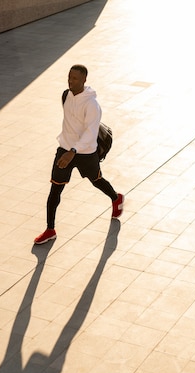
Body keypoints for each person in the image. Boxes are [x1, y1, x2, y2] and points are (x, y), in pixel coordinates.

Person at [34, 64, 124, 245]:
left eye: (75, 78)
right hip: (64, 149)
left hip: (85, 153)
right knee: (55, 190)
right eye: (69, 77)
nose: (70, 81)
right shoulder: (66, 95)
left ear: (84, 79)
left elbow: (90, 133)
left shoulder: (92, 105)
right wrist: (67, 150)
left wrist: (73, 152)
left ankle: (116, 198)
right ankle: (50, 229)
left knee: (97, 180)